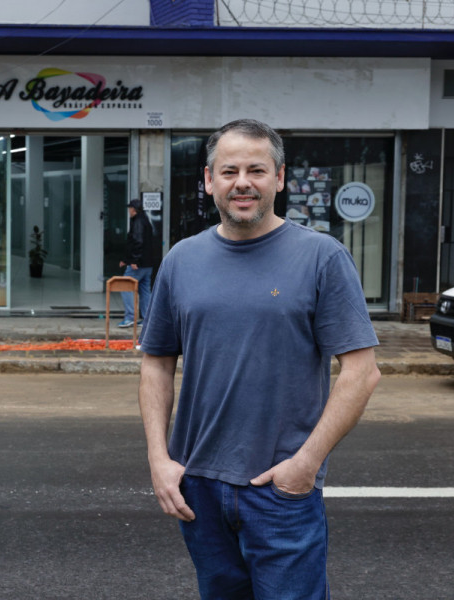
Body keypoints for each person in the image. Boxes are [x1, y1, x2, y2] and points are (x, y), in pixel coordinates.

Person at [137, 119, 381, 599]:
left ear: (280, 177)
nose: (242, 182)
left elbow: (362, 371)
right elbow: (157, 362)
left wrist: (305, 464)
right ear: (209, 181)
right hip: (198, 485)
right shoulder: (181, 260)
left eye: (257, 169)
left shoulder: (321, 257)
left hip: (280, 486)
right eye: (229, 171)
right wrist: (158, 458)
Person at [118, 198, 155, 328]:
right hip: (148, 263)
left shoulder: (138, 222)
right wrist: (126, 259)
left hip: (138, 264)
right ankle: (147, 319)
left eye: (130, 208)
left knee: (125, 286)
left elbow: (137, 242)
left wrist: (133, 260)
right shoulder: (145, 221)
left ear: (134, 209)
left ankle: (130, 317)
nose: (128, 211)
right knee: (145, 290)